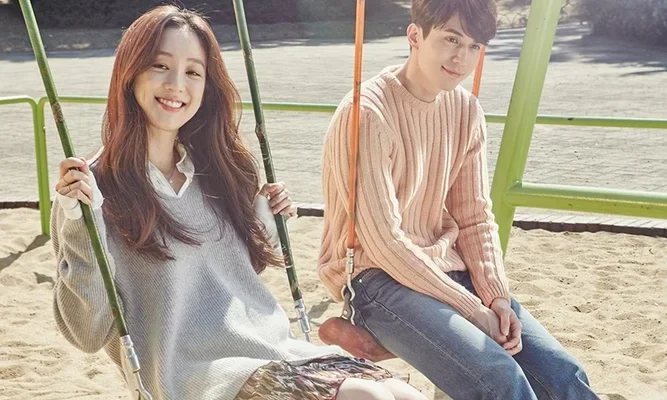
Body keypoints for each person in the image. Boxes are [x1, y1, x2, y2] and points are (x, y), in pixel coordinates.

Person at [51, 5, 426, 400]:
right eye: (160, 66)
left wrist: (260, 228)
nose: (176, 84)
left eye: (193, 72)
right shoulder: (94, 188)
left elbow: (227, 280)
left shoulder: (215, 171)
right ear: (130, 73)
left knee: (403, 395)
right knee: (370, 398)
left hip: (270, 349)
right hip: (193, 376)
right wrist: (81, 225)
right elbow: (86, 334)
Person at [318, 0, 600, 398]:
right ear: (415, 35)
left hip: (446, 268)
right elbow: (383, 241)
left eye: (474, 46)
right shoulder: (366, 114)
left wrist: (496, 296)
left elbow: (474, 216)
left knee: (563, 373)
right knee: (498, 378)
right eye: (451, 39)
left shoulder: (466, 110)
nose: (461, 58)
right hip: (376, 276)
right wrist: (471, 310)